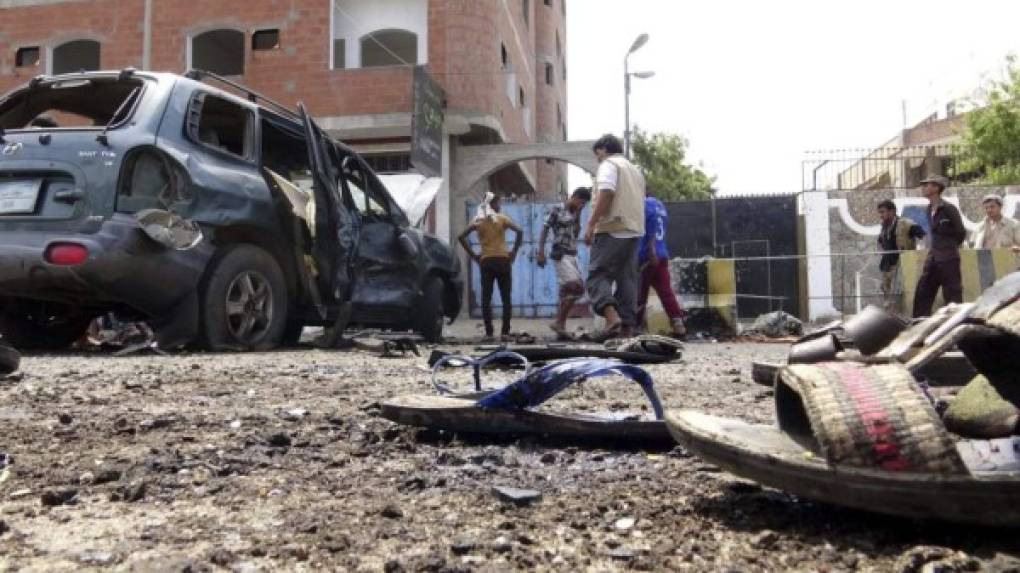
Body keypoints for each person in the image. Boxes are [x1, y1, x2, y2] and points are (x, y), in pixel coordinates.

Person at [583, 134, 646, 340]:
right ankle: (627, 330)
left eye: (597, 154)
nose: (597, 159)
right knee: (627, 279)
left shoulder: (609, 165)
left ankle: (611, 318)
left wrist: (592, 223)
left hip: (612, 227)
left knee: (596, 275)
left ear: (604, 149)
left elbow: (607, 193)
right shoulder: (635, 170)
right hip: (634, 229)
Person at [458, 192, 523, 341]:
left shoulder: (477, 221)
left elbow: (461, 237)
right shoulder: (501, 219)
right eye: (498, 204)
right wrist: (514, 251)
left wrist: (474, 255)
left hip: (486, 262)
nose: (499, 206)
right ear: (492, 205)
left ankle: (489, 333)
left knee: (486, 298)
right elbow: (520, 231)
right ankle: (505, 332)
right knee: (506, 298)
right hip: (503, 261)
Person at [537, 187, 591, 339]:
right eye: (582, 202)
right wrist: (540, 252)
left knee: (567, 292)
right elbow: (545, 229)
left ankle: (561, 328)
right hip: (561, 254)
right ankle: (559, 322)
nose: (582, 206)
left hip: (573, 255)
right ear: (575, 197)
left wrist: (578, 216)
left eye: (584, 205)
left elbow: (575, 234)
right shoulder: (557, 209)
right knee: (577, 287)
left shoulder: (575, 213)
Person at [912, 176, 966, 318]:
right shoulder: (929, 209)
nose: (923, 188)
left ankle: (955, 322)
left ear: (936, 188)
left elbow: (960, 232)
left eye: (927, 185)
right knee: (923, 290)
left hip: (948, 258)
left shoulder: (949, 209)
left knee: (952, 293)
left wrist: (949, 247)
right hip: (933, 257)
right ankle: (919, 321)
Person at [636, 188, 686, 337]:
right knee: (666, 292)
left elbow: (650, 228)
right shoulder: (660, 206)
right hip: (662, 254)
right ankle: (678, 325)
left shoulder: (643, 205)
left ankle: (636, 327)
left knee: (639, 293)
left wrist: (650, 249)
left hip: (647, 255)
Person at [876, 199, 925, 311]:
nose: (881, 215)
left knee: (904, 295)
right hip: (888, 267)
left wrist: (919, 254)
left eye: (883, 212)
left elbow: (922, 234)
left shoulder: (904, 223)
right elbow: (880, 241)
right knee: (888, 296)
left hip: (903, 265)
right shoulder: (884, 227)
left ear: (892, 211)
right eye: (880, 212)